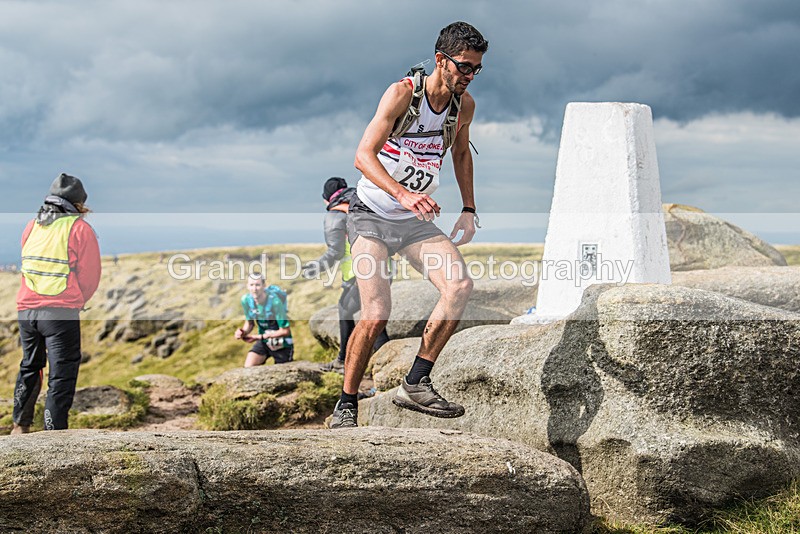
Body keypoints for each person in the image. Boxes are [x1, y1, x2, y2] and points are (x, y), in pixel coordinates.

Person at [329, 22, 488, 428]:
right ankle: (346, 404)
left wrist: (469, 208)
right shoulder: (402, 94)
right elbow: (363, 156)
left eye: (476, 70)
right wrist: (403, 194)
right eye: (465, 68)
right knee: (377, 312)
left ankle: (416, 382)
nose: (470, 77)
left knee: (459, 286)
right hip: (371, 216)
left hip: (415, 221)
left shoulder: (462, 106)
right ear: (441, 60)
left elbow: (461, 153)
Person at [11, 173, 101, 433]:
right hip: (60, 312)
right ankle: (55, 431)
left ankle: (20, 426)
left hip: (26, 310)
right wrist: (76, 300)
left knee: (30, 365)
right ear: (78, 204)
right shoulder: (79, 228)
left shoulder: (32, 226)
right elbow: (90, 275)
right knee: (61, 373)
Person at [302, 177, 389, 374]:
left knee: (345, 310)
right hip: (385, 267)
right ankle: (384, 364)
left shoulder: (335, 214)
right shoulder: (365, 203)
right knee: (374, 316)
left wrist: (314, 268)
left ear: (327, 199)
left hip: (360, 273)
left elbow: (336, 252)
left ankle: (345, 361)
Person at [234, 273, 294, 367]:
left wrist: (259, 337)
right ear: (247, 286)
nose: (254, 289)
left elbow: (285, 331)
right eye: (251, 285)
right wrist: (243, 332)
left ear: (264, 286)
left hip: (282, 343)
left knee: (281, 376)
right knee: (248, 368)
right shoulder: (246, 300)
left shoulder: (275, 302)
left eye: (257, 285)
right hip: (264, 342)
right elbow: (249, 323)